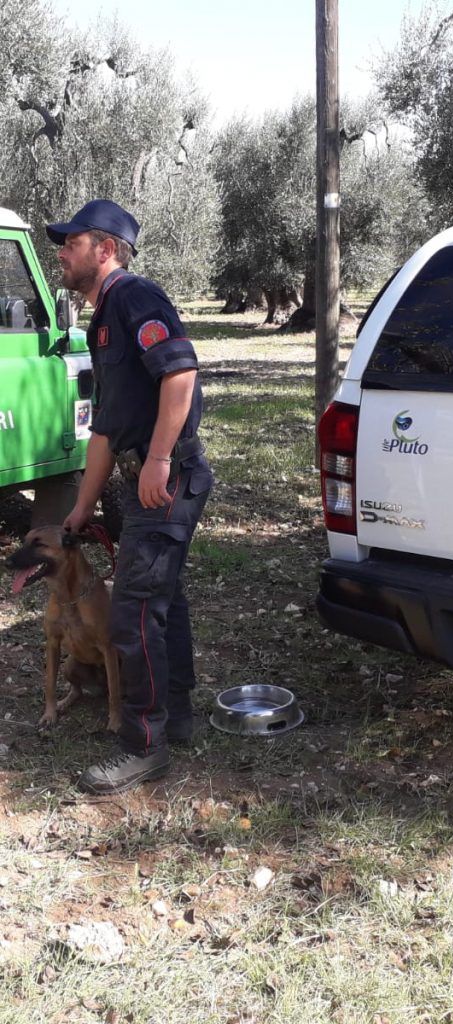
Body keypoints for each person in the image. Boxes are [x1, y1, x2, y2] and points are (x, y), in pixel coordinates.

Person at [46, 199, 213, 794]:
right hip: (148, 473)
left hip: (168, 476)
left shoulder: (135, 296)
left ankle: (144, 745)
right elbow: (106, 430)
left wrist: (160, 458)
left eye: (72, 243)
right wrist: (82, 507)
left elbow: (180, 372)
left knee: (134, 610)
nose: (62, 254)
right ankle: (177, 714)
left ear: (107, 249)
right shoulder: (103, 320)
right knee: (161, 596)